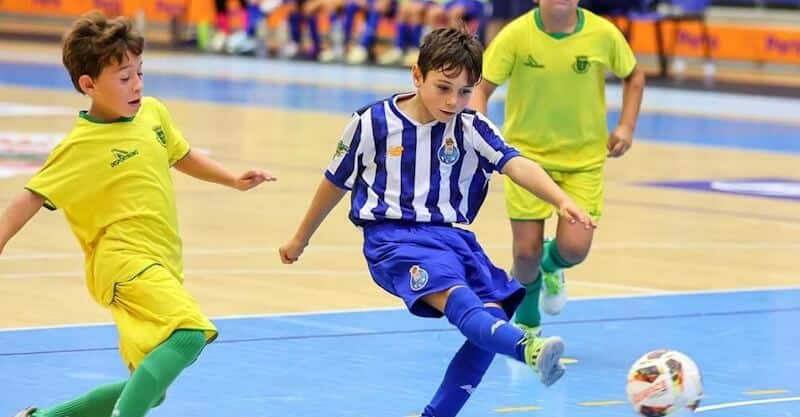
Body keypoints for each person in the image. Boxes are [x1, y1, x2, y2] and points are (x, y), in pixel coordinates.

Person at [279, 27, 595, 417]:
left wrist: (560, 200)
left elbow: (515, 164)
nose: (453, 101)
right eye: (443, 88)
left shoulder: (471, 127)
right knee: (459, 298)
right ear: (417, 75)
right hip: (395, 238)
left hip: (456, 239)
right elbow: (333, 183)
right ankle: (526, 348)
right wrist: (300, 238)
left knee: (491, 319)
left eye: (464, 92)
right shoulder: (371, 122)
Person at [3, 11, 275, 417]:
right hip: (122, 262)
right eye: (124, 77)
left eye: (139, 72)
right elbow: (27, 200)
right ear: (89, 85)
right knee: (189, 334)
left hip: (160, 261)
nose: (138, 85)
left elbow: (180, 154)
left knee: (149, 388)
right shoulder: (80, 146)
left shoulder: (153, 113)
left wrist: (232, 179)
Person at [469, 0, 645, 336]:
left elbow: (634, 75)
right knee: (524, 253)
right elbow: (482, 87)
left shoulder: (602, 33)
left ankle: (551, 267)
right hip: (526, 160)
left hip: (584, 161)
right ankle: (528, 323)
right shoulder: (517, 34)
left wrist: (627, 126)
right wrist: (483, 134)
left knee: (574, 249)